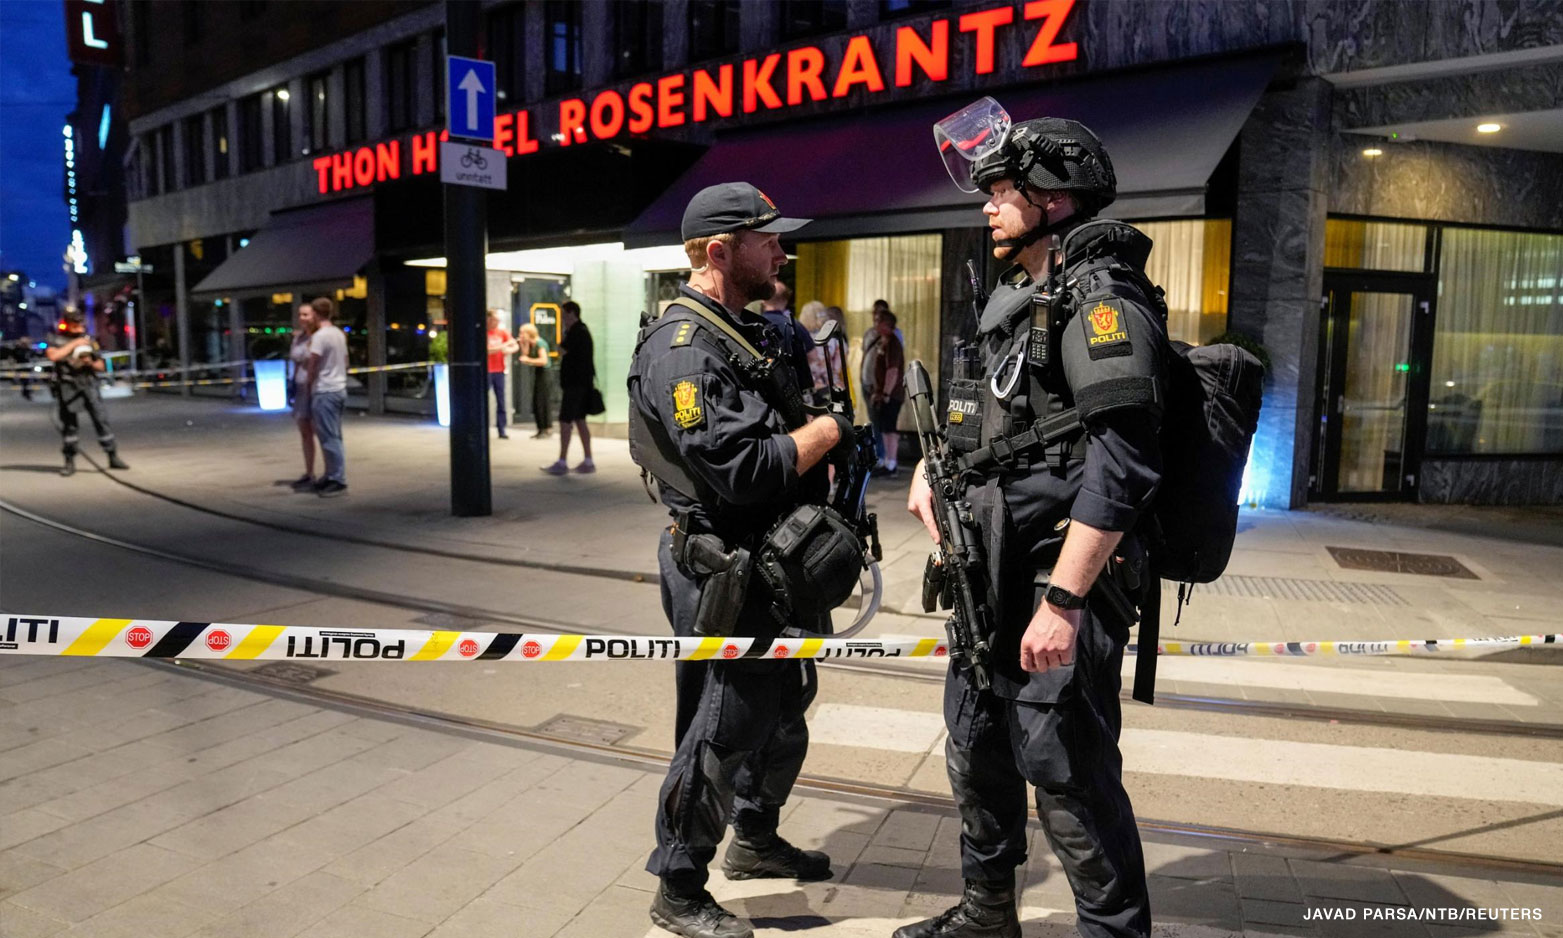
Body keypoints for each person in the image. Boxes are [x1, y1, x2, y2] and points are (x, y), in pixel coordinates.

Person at [900, 111, 1164, 938]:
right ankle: (986, 917)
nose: (986, 204)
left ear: (1052, 196)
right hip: (989, 573)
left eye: (1001, 189)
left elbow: (1123, 464)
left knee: (1068, 776)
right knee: (976, 749)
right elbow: (990, 414)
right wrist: (934, 465)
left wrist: (1063, 601)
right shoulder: (1021, 297)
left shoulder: (1100, 299)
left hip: (1055, 577)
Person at [628, 182, 858, 938]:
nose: (782, 252)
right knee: (724, 722)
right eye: (768, 240)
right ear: (721, 252)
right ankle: (679, 883)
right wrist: (829, 432)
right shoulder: (684, 351)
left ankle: (754, 837)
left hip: (776, 562)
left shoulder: (743, 331)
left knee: (783, 705)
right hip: (724, 569)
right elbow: (744, 470)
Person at [45, 307, 128, 476]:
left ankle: (112, 455)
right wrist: (75, 344)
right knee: (69, 426)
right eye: (75, 324)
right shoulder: (56, 339)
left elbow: (101, 366)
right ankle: (69, 461)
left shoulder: (88, 340)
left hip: (88, 384)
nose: (79, 327)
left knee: (101, 420)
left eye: (80, 324)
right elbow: (53, 356)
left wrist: (89, 362)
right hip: (67, 386)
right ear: (67, 323)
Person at [303, 296, 349, 498]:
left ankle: (338, 479)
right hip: (339, 389)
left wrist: (307, 387)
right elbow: (345, 361)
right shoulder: (339, 334)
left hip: (324, 391)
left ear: (315, 313)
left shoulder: (320, 336)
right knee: (334, 434)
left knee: (328, 437)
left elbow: (313, 365)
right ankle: (331, 475)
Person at [543, 301, 595, 474]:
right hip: (581, 384)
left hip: (575, 385)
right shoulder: (582, 330)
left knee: (565, 421)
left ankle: (562, 461)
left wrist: (564, 336)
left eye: (564, 314)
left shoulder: (576, 332)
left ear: (572, 313)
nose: (563, 318)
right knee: (580, 420)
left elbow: (561, 350)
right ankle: (588, 460)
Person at [758, 280, 815, 396]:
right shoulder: (795, 326)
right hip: (794, 389)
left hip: (763, 389)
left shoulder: (753, 324)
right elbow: (813, 356)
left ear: (763, 300)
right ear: (786, 299)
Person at [867, 310, 906, 477]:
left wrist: (886, 394)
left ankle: (892, 463)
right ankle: (887, 461)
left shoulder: (893, 343)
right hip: (882, 393)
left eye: (878, 321)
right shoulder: (881, 341)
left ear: (886, 324)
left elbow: (893, 371)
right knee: (883, 428)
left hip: (891, 394)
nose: (875, 324)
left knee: (890, 428)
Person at [288, 303, 320, 491]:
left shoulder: (319, 337)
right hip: (300, 388)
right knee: (305, 432)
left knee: (319, 431)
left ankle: (331, 474)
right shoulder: (298, 338)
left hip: (315, 388)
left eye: (306, 314)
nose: (302, 318)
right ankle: (309, 472)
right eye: (300, 314)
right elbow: (295, 362)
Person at [516, 322, 553, 438]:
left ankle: (546, 428)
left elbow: (543, 361)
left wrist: (529, 360)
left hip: (545, 372)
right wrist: (523, 343)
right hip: (538, 372)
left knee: (543, 400)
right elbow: (525, 355)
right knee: (536, 401)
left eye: (522, 333)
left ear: (529, 333)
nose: (520, 335)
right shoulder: (531, 343)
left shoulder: (540, 343)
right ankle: (540, 428)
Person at [485, 310, 518, 439]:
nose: (497, 322)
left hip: (499, 370)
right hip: (487, 370)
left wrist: (508, 349)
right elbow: (487, 350)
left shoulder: (502, 332)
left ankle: (501, 429)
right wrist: (503, 346)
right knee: (483, 399)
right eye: (494, 320)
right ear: (488, 320)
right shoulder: (484, 332)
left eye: (498, 320)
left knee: (501, 400)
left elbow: (514, 345)